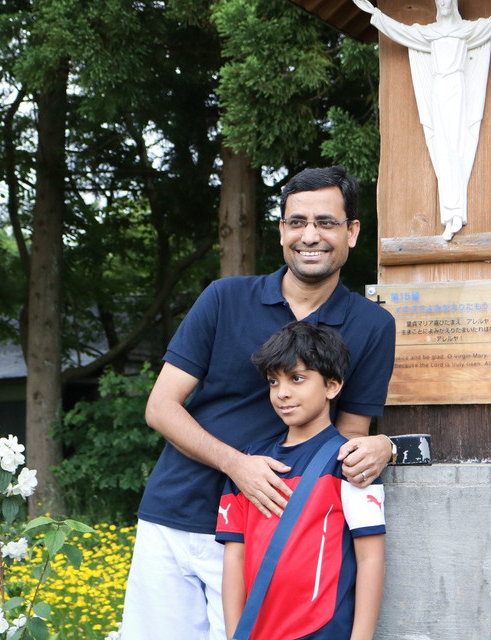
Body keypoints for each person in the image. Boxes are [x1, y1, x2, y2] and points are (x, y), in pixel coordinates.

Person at [120, 166, 397, 640]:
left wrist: (383, 447)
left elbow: (349, 437)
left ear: (352, 232)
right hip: (176, 514)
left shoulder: (372, 325)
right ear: (282, 230)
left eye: (326, 222)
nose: (310, 235)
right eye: (297, 222)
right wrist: (238, 466)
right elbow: (161, 407)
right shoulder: (224, 298)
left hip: (273, 536)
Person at [217, 321, 385, 640]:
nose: (282, 393)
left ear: (332, 386)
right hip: (256, 631)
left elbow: (371, 557)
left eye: (297, 378)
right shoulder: (249, 466)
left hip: (322, 630)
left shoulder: (349, 461)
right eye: (273, 381)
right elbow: (234, 557)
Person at [352, 0, 491, 240]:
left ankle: (455, 213)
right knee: (442, 148)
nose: (443, 3)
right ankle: (451, 213)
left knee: (456, 146)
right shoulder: (430, 32)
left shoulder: (466, 30)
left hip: (457, 87)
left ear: (453, 2)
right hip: (438, 90)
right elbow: (402, 31)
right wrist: (375, 14)